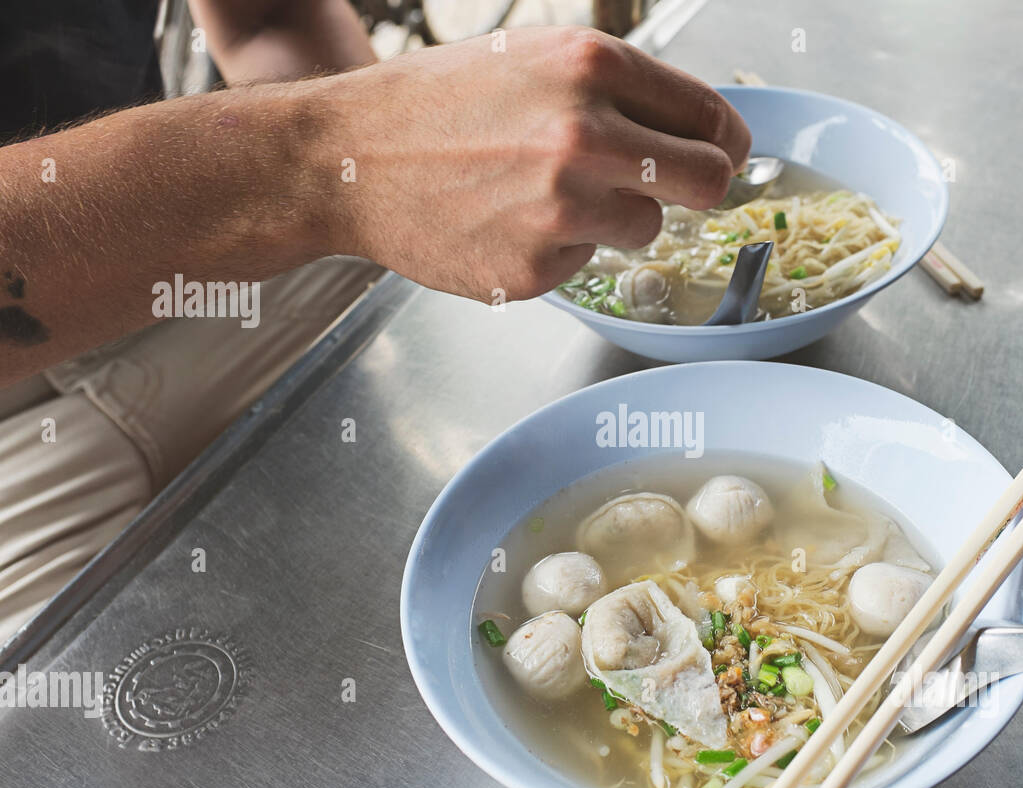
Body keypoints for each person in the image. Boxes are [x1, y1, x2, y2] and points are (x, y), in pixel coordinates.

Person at [0, 1, 751, 640]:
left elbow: (269, 16)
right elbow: (320, 156)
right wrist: (329, 158)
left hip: (202, 242)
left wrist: (398, 165)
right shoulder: (307, 164)